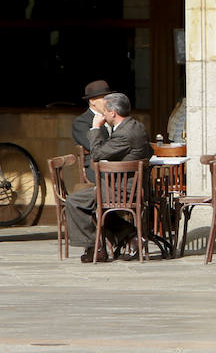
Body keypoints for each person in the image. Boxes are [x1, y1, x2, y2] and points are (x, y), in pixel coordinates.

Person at [65, 93, 152, 262]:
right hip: (131, 186)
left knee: (74, 202)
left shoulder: (124, 134)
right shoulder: (137, 127)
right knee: (95, 204)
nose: (103, 115)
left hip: (121, 190)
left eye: (105, 111)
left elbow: (96, 154)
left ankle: (95, 247)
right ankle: (130, 235)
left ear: (113, 113)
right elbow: (150, 151)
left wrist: (96, 128)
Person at [71, 80, 114, 182]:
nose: (108, 102)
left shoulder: (112, 116)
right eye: (104, 98)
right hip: (96, 168)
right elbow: (95, 146)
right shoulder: (81, 122)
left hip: (115, 165)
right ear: (92, 101)